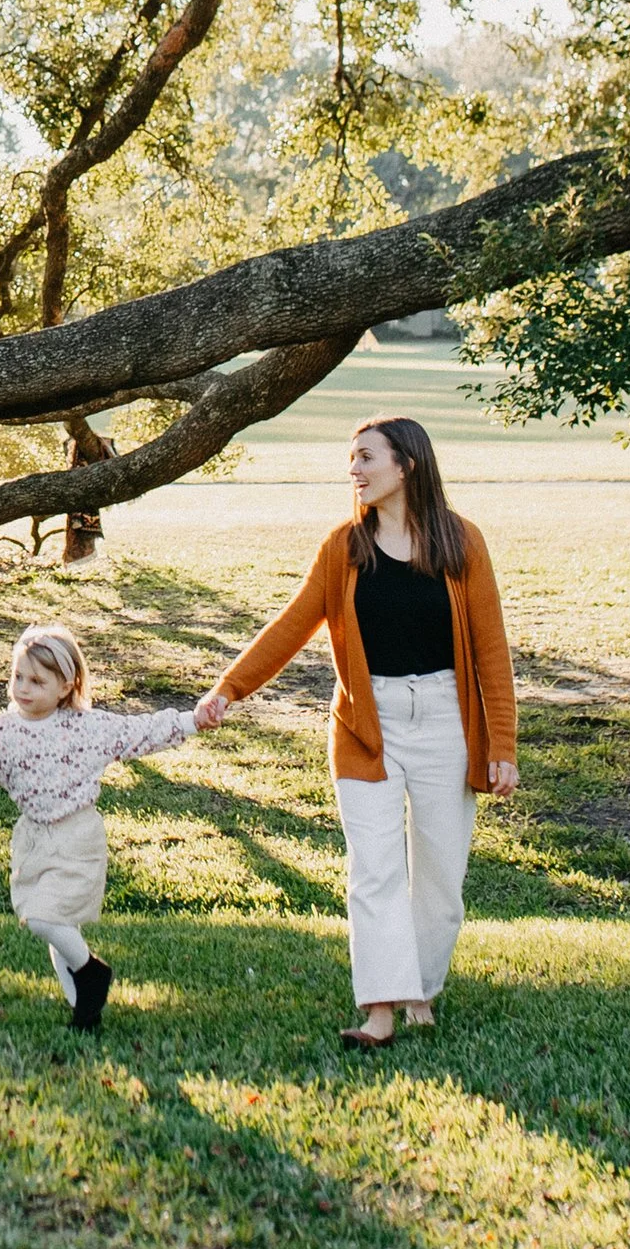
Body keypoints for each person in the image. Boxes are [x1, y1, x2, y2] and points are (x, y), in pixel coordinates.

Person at [193, 412, 517, 1050]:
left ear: (407, 465)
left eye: (367, 457)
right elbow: (291, 626)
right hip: (367, 726)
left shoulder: (462, 543)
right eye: (352, 459)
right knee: (374, 871)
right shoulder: (345, 547)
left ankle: (420, 989)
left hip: (448, 722)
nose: (355, 470)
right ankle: (379, 1010)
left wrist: (501, 744)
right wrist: (229, 687)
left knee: (441, 877)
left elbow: (492, 651)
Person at [0, 624, 205, 1033]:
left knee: (42, 917)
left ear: (66, 685)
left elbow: (143, 731)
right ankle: (84, 1012)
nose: (23, 688)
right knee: (56, 931)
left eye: (37, 680)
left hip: (76, 835)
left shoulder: (88, 728)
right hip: (34, 837)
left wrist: (193, 720)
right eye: (18, 676)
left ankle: (90, 973)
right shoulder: (3, 732)